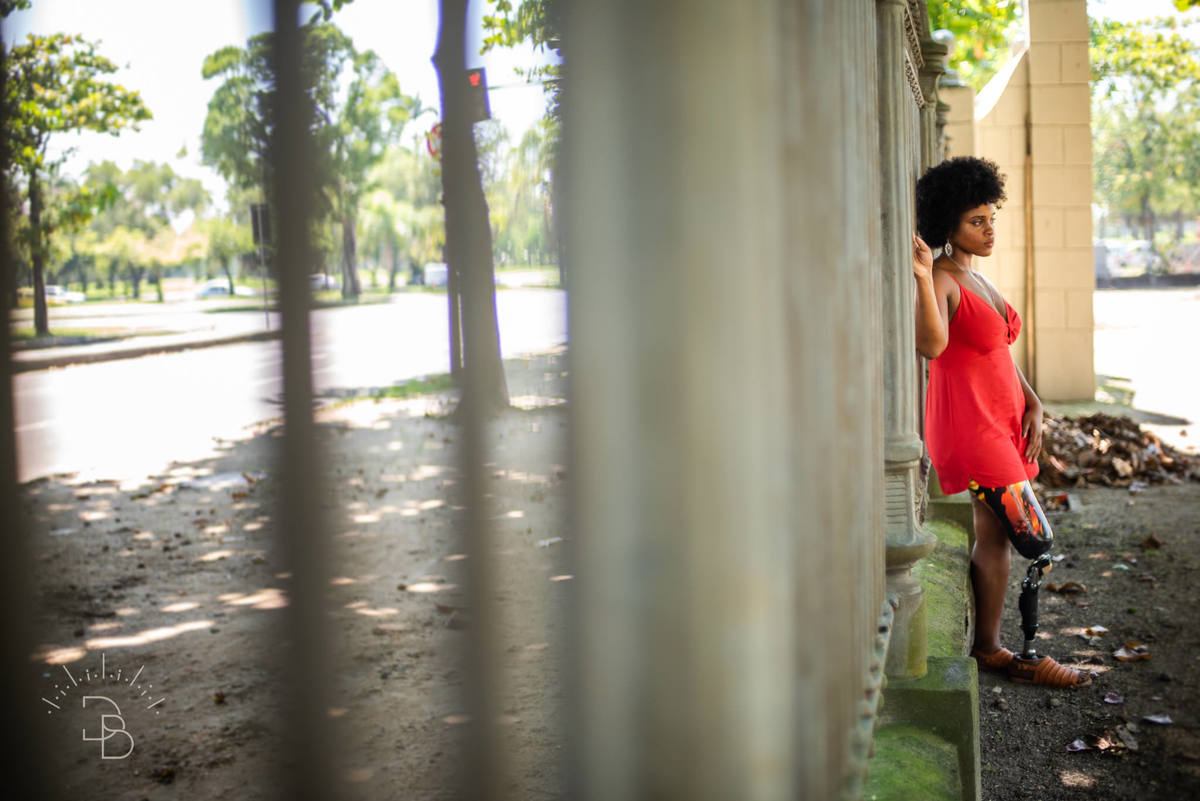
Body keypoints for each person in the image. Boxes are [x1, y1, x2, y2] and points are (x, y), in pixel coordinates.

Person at [912, 156, 1090, 689]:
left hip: (1003, 422)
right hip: (972, 431)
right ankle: (1031, 654)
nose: (990, 230)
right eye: (977, 221)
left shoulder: (979, 277)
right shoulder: (944, 278)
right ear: (948, 223)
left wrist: (1032, 400)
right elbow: (932, 345)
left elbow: (998, 355)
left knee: (992, 537)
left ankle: (990, 650)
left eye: (992, 219)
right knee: (1037, 542)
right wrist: (922, 276)